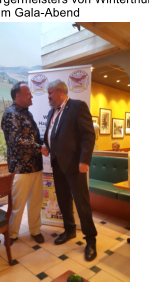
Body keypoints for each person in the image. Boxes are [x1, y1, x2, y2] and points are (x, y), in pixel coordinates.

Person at [44, 80, 98, 262]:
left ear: (60, 92)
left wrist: (84, 160)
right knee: (63, 199)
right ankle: (69, 231)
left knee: (82, 204)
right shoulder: (53, 111)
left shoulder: (77, 106)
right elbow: (57, 135)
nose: (48, 96)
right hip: (57, 164)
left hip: (75, 165)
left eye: (50, 92)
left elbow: (88, 135)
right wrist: (48, 147)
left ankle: (91, 241)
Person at [1, 82, 46, 243]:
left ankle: (34, 230)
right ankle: (12, 233)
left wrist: (47, 142)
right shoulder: (10, 114)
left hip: (36, 166)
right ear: (18, 96)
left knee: (35, 202)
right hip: (20, 168)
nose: (32, 96)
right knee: (17, 204)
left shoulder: (28, 114)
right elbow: (16, 141)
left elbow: (32, 138)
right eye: (28, 94)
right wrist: (40, 148)